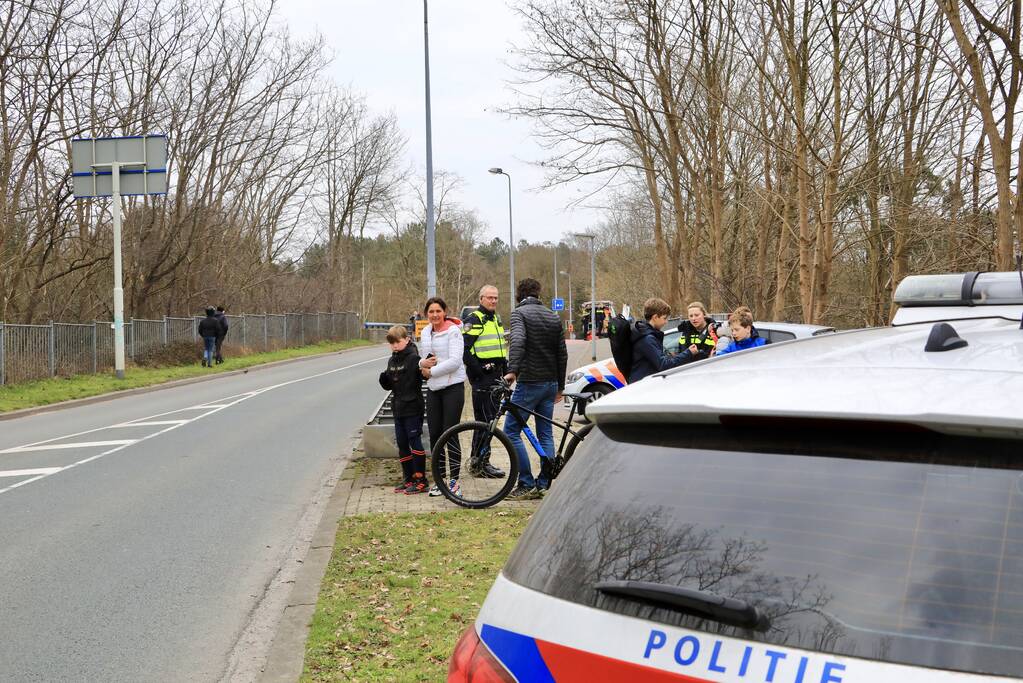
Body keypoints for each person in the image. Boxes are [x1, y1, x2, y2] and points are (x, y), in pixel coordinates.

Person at [503, 278, 568, 499]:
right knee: (545, 433)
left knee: (511, 431)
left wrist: (512, 370)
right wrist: (560, 386)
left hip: (530, 381)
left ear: (518, 295)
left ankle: (525, 482)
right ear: (538, 293)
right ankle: (544, 484)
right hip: (550, 383)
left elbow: (518, 341)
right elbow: (562, 353)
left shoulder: (519, 313)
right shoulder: (552, 316)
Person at [418, 297, 467, 497]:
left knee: (450, 433)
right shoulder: (425, 332)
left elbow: (455, 362)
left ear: (444, 312)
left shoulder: (453, 331)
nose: (435, 315)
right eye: (431, 312)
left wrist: (432, 371)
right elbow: (424, 359)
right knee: (436, 435)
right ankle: (440, 480)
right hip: (433, 389)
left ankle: (454, 482)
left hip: (452, 387)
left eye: (438, 311)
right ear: (426, 314)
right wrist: (422, 365)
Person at [462, 285, 507, 479]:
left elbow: (500, 348)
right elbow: (465, 350)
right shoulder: (475, 319)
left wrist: (506, 372)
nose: (493, 301)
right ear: (481, 299)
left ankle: (478, 462)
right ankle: (480, 462)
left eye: (496, 298)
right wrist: (478, 374)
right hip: (484, 378)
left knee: (489, 421)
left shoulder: (496, 318)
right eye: (490, 298)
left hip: (497, 376)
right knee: (486, 422)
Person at [378, 325, 428, 495]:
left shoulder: (414, 358)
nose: (394, 346)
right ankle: (409, 478)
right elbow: (389, 385)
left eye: (397, 342)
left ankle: (421, 480)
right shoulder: (392, 360)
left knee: (415, 442)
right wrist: (383, 379)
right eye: (391, 343)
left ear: (406, 340)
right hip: (398, 408)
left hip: (413, 408)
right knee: (402, 444)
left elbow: (421, 376)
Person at [628, 297, 690, 383]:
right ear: (655, 317)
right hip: (643, 385)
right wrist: (688, 352)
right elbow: (664, 365)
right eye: (664, 318)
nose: (666, 322)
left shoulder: (646, 334)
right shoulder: (647, 339)